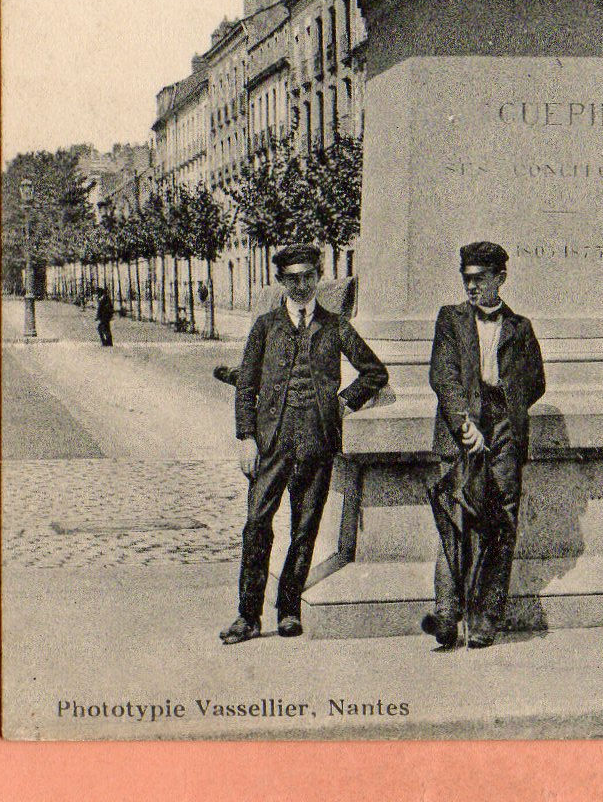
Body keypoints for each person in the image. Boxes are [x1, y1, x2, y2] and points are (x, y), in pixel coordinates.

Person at [219, 244, 389, 644]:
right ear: (281, 281)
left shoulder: (335, 326)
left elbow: (374, 372)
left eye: (308, 277)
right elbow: (246, 386)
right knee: (256, 524)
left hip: (317, 441)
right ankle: (248, 616)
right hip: (271, 443)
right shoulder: (265, 326)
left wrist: (343, 402)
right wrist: (246, 437)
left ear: (318, 277)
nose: (300, 286)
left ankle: (289, 610)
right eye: (292, 279)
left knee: (305, 527)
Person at [422, 241, 546, 649]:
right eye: (467, 279)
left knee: (501, 524)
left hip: (504, 430)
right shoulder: (450, 319)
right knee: (454, 517)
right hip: (459, 429)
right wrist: (465, 423)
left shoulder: (520, 327)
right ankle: (446, 613)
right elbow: (443, 376)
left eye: (479, 279)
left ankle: (485, 619)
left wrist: (505, 413)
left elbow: (535, 382)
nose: (471, 287)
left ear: (500, 279)